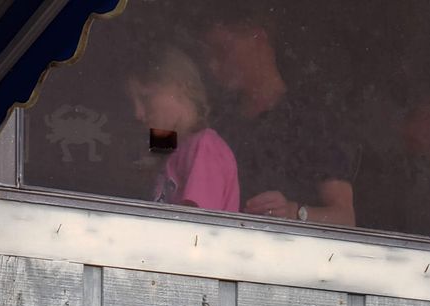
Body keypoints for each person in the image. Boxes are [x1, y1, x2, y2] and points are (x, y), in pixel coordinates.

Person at [204, 7, 356, 226]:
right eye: (209, 55)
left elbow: (345, 218)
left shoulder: (312, 119)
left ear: (258, 38)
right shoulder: (217, 120)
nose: (212, 64)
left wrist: (294, 212)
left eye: (222, 50)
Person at [129, 46, 240, 213]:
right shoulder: (171, 147)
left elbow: (195, 227)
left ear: (179, 87)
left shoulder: (204, 146)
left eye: (146, 98)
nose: (138, 113)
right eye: (134, 103)